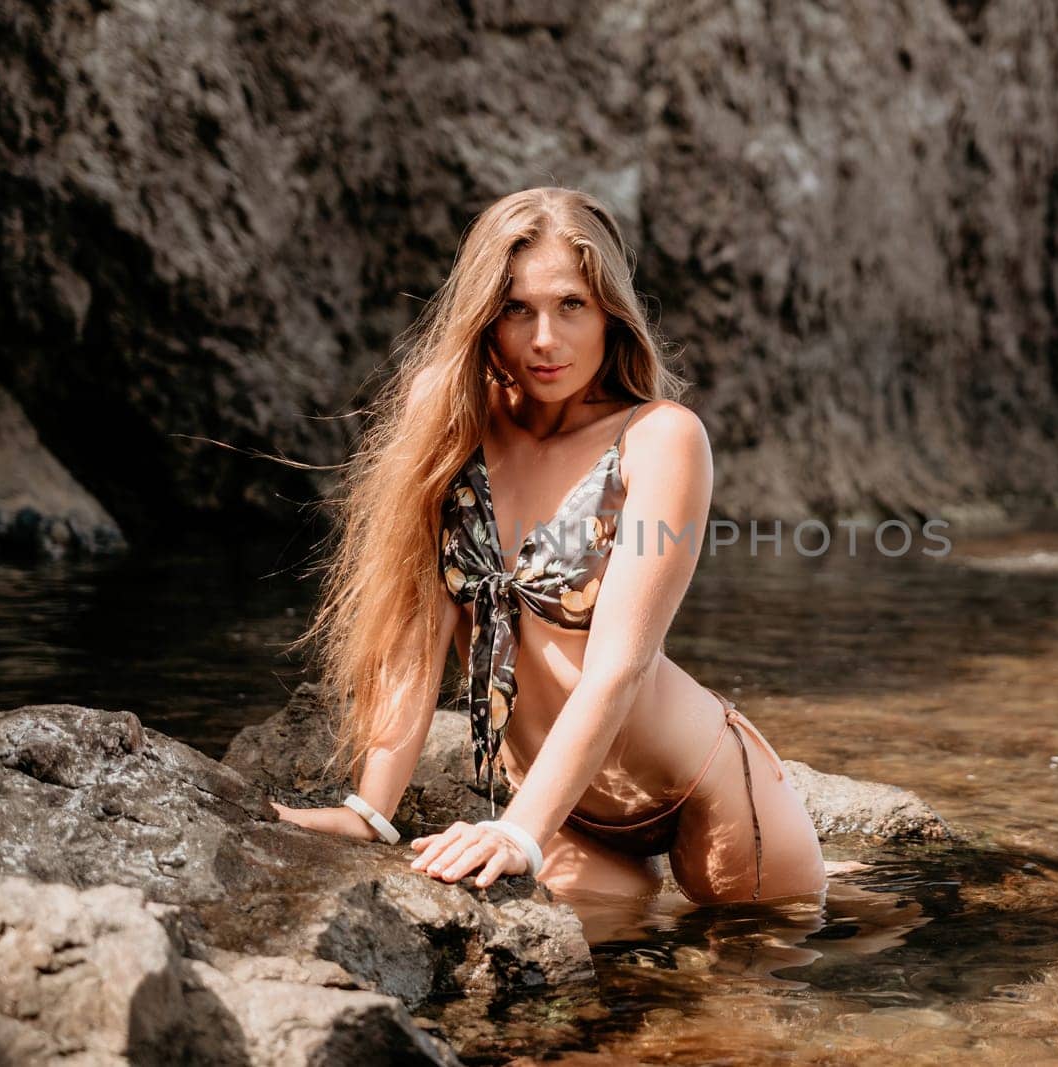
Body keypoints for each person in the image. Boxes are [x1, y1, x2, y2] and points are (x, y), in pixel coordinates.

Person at [273, 186, 827, 906]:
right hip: (566, 813)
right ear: (484, 316)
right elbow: (419, 624)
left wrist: (517, 835)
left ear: (610, 313)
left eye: (571, 305)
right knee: (592, 1000)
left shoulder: (660, 438)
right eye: (516, 308)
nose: (543, 338)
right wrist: (371, 811)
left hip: (708, 798)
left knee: (758, 993)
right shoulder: (449, 411)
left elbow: (618, 669)